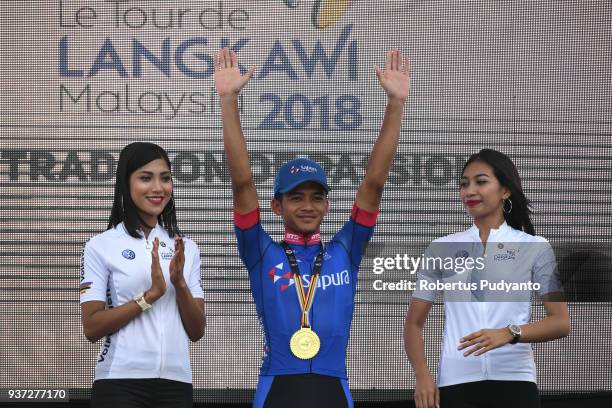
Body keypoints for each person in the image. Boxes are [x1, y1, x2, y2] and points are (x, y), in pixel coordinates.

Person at [214, 47, 410, 407]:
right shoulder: (260, 250)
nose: (307, 206)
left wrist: (395, 104)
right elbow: (242, 182)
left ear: (327, 204)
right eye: (296, 197)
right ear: (277, 205)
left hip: (333, 388)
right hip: (277, 390)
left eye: (317, 197)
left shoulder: (345, 249)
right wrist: (228, 101)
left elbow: (373, 184)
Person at [404, 149, 571, 408]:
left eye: (481, 182)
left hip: (515, 382)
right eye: (464, 184)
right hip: (455, 384)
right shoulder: (441, 247)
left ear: (505, 190)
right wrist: (423, 377)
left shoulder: (536, 247)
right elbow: (413, 325)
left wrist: (510, 333)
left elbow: (560, 322)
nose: (469, 191)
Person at [79, 142, 205, 408]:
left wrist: (179, 284)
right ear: (126, 183)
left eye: (165, 178)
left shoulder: (186, 247)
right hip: (119, 383)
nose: (158, 188)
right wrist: (150, 296)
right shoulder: (100, 245)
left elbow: (196, 331)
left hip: (176, 383)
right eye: (146, 178)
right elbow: (92, 327)